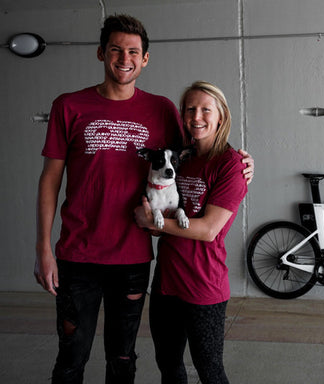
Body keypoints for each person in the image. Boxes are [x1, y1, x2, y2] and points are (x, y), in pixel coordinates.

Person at [34, 15, 253, 384]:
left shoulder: (163, 109)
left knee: (123, 358)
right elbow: (50, 179)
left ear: (145, 59)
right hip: (77, 254)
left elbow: (196, 150)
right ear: (101, 53)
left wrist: (242, 161)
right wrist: (43, 248)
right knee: (71, 356)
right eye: (116, 49)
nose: (125, 58)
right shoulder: (69, 106)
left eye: (133, 51)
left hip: (133, 256)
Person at [134, 81, 248, 384]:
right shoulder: (178, 160)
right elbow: (164, 218)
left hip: (204, 285)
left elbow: (210, 229)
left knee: (209, 371)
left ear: (221, 116)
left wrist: (151, 223)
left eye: (205, 109)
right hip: (167, 281)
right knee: (168, 366)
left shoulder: (231, 164)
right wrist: (156, 222)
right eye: (190, 109)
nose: (196, 116)